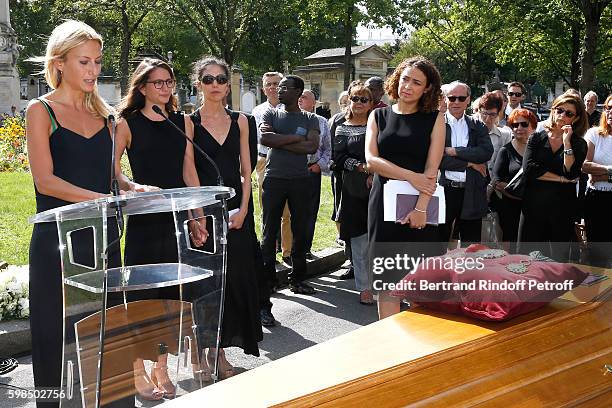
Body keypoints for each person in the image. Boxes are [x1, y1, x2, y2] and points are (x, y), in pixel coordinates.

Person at [26, 20, 121, 407]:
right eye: (84, 61)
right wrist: (98, 198)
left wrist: (133, 188)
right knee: (56, 336)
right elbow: (45, 181)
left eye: (98, 62)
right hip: (57, 244)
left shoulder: (107, 116)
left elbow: (112, 178)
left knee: (107, 335)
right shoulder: (40, 110)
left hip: (104, 240)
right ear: (60, 63)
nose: (93, 71)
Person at [114, 58, 205, 399]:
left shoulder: (182, 122)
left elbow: (189, 172)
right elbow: (113, 171)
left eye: (169, 82)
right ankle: (138, 370)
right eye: (158, 83)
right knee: (142, 297)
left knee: (170, 298)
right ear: (141, 87)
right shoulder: (126, 122)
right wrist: (132, 186)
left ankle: (162, 368)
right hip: (142, 220)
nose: (166, 89)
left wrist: (196, 216)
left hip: (174, 219)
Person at [190, 56, 262, 375]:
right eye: (208, 80)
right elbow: (187, 173)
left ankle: (220, 354)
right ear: (198, 84)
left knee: (234, 280)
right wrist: (197, 215)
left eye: (221, 79)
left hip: (237, 213)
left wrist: (245, 208)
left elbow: (247, 172)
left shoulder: (242, 121)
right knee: (206, 284)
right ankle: (202, 354)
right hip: (203, 213)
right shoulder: (187, 123)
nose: (216, 85)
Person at [365, 56, 445, 319]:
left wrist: (421, 208)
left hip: (421, 205)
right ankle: (389, 350)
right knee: (387, 282)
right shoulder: (378, 115)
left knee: (419, 282)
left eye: (416, 82)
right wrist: (410, 175)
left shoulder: (435, 119)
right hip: (383, 207)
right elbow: (371, 160)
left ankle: (419, 353)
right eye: (404, 79)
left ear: (427, 89)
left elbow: (432, 169)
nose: (407, 86)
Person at [260, 75, 320, 298]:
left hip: (300, 180)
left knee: (301, 230)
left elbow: (312, 146)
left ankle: (298, 278)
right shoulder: (271, 113)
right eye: (279, 87)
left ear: (298, 92)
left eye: (285, 87)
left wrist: (282, 139)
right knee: (269, 230)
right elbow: (265, 139)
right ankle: (268, 280)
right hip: (274, 178)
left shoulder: (310, 118)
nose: (280, 90)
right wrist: (295, 138)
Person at [520, 93, 588, 260]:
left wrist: (567, 142)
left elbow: (571, 172)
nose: (562, 116)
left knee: (559, 262)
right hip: (533, 207)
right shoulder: (536, 137)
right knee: (528, 260)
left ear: (576, 118)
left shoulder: (578, 143)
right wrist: (561, 179)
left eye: (569, 113)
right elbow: (529, 169)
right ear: (553, 110)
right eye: (559, 110)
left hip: (562, 210)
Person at [333, 82, 374, 304]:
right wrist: (360, 167)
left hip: (378, 186)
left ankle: (384, 283)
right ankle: (364, 287)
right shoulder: (341, 127)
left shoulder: (377, 125)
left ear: (371, 103)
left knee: (379, 239)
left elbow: (385, 152)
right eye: (355, 98)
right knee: (359, 240)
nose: (358, 103)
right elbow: (337, 158)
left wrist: (374, 172)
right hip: (353, 189)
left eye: (363, 99)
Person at [438, 81, 493, 246]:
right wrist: (470, 164)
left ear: (468, 100)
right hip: (445, 189)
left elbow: (485, 152)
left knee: (472, 246)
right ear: (446, 99)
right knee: (438, 244)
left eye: (461, 98)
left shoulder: (477, 125)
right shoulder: (437, 124)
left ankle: (469, 272)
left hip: (472, 191)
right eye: (452, 98)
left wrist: (455, 151)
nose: (456, 102)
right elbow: (437, 159)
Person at [252, 72, 292, 264]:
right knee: (266, 208)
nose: (272, 87)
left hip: (287, 160)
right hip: (264, 161)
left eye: (276, 84)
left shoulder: (293, 109)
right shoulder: (257, 111)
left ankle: (288, 252)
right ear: (263, 88)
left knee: (287, 210)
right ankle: (268, 251)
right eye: (268, 84)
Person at [492, 109, 537, 252]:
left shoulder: (540, 150)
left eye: (524, 124)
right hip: (510, 206)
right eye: (514, 125)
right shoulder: (505, 151)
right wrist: (519, 194)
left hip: (535, 207)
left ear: (533, 126)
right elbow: (497, 181)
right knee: (510, 248)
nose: (519, 128)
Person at [298, 89, 331, 258]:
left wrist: (320, 165)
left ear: (313, 103)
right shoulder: (285, 119)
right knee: (289, 212)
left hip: (312, 171)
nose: (300, 100)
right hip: (291, 171)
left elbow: (327, 150)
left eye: (304, 97)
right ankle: (287, 248)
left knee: (310, 211)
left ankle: (305, 248)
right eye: (298, 97)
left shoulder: (322, 122)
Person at [581, 94, 612, 266]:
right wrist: (609, 170)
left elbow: (593, 169)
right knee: (596, 253)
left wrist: (602, 175)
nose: (611, 112)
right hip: (596, 199)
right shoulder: (594, 134)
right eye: (608, 108)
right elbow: (584, 166)